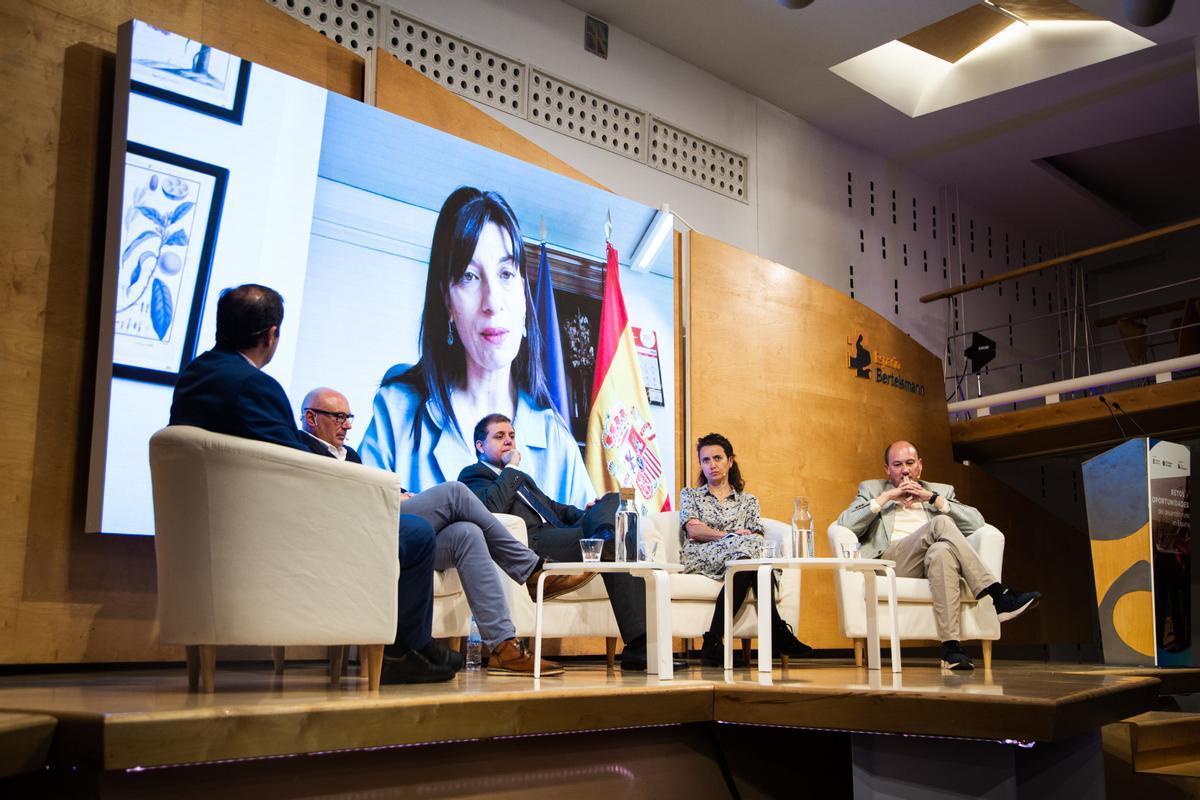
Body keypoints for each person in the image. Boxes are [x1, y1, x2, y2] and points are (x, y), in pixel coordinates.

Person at [168, 284, 452, 684]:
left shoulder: (192, 377)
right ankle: (403, 652)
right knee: (418, 532)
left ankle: (414, 648)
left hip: (214, 531)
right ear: (271, 334)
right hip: (281, 534)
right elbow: (301, 473)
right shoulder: (255, 386)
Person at [301, 387, 590, 677]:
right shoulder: (301, 450)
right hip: (365, 527)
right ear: (311, 418)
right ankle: (531, 570)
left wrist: (400, 492)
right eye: (339, 417)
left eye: (349, 417)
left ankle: (504, 647)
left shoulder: (349, 454)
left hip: (392, 526)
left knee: (468, 534)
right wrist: (388, 496)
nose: (348, 424)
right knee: (455, 492)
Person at [359, 187, 593, 507]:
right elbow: (363, 529)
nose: (492, 302)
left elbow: (589, 547)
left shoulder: (555, 438)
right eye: (469, 276)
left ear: (524, 296)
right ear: (447, 300)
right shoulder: (396, 412)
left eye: (506, 273)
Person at [459, 414, 688, 672]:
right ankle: (638, 644)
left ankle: (606, 539)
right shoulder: (473, 475)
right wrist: (511, 470)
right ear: (480, 446)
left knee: (612, 500)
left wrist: (590, 512)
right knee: (617, 546)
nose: (509, 442)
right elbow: (490, 507)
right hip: (532, 543)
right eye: (499, 436)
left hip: (558, 533)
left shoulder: (521, 479)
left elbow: (555, 508)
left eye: (512, 436)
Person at [836, 440, 1042, 670]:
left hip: (930, 560)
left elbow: (977, 522)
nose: (904, 470)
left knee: (942, 551)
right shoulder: (872, 489)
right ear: (887, 469)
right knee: (941, 524)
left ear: (920, 466)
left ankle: (951, 649)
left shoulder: (940, 491)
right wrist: (887, 497)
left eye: (910, 463)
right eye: (897, 464)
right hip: (894, 561)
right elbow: (846, 523)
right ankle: (998, 594)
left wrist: (932, 498)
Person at [679, 433, 812, 667]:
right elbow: (694, 531)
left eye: (717, 458)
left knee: (748, 555)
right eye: (706, 460)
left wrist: (742, 542)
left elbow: (757, 535)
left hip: (739, 558)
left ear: (730, 461)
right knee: (749, 550)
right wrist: (729, 536)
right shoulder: (690, 495)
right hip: (702, 555)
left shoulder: (748, 501)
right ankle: (777, 630)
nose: (712, 465)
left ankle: (712, 642)